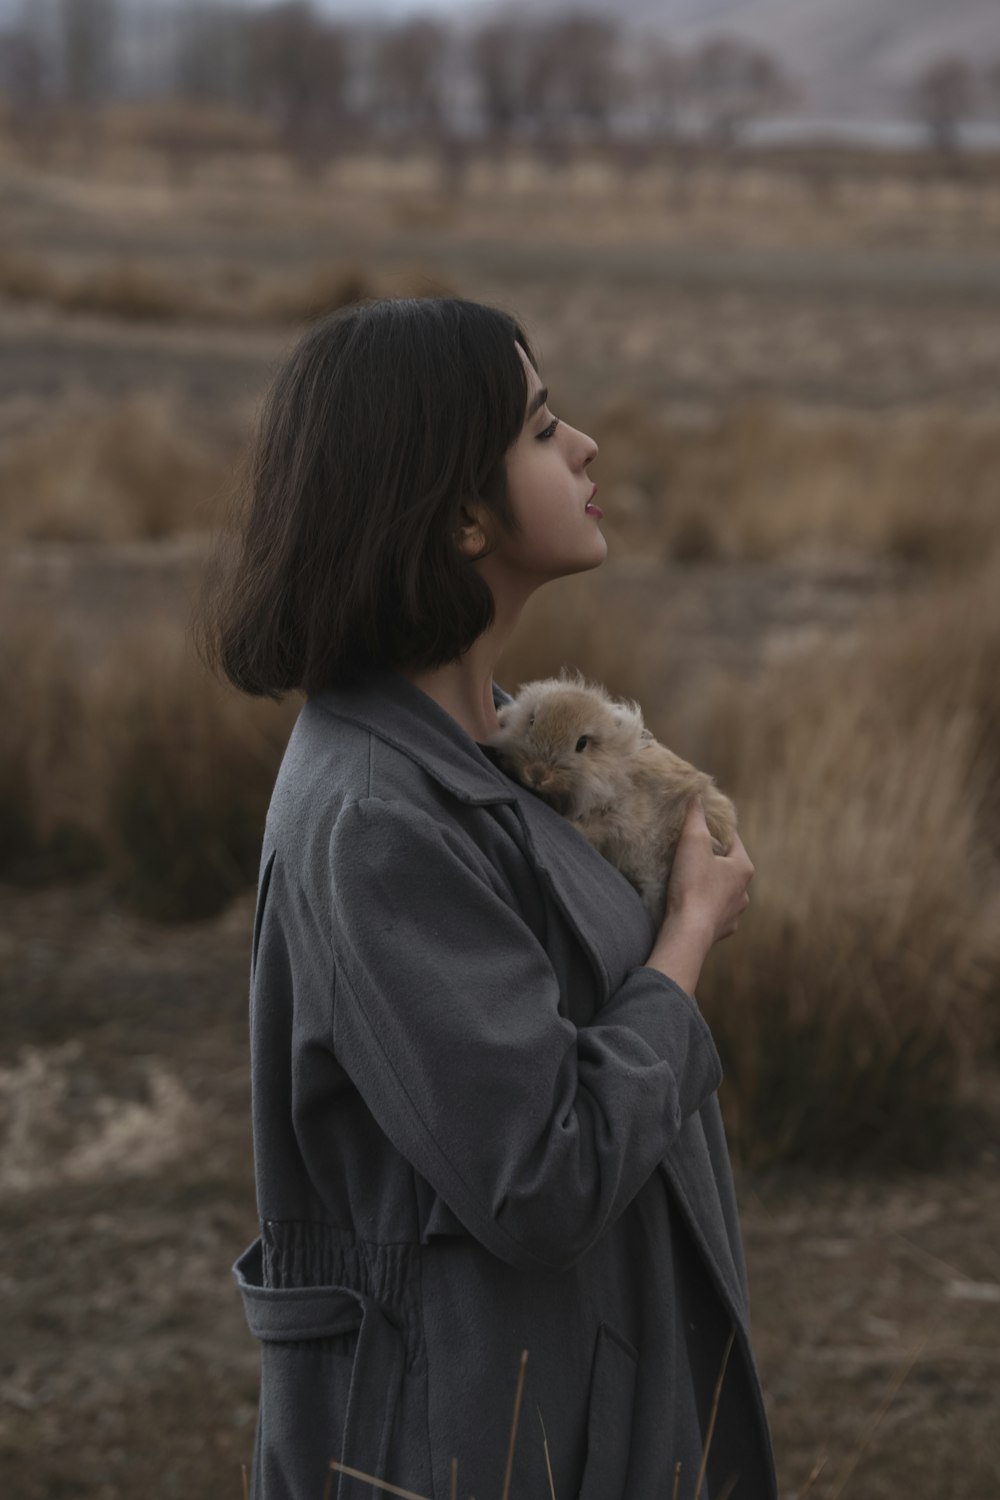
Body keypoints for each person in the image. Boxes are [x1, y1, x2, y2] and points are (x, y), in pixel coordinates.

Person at [201, 296, 777, 1500]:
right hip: (468, 1442)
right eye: (540, 428)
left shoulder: (485, 751)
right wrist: (683, 942)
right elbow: (539, 1176)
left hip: (576, 1406)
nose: (585, 449)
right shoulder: (375, 815)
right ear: (462, 515)